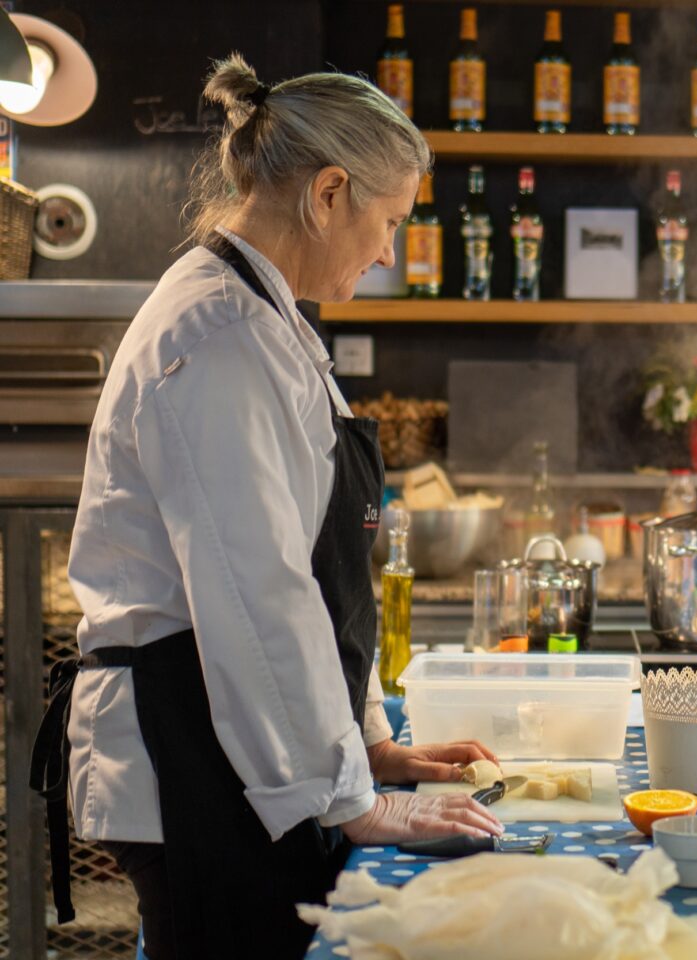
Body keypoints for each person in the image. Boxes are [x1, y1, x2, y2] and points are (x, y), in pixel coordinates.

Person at [29, 56, 504, 960]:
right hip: (193, 753)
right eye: (391, 219)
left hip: (235, 748)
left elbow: (323, 583)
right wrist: (350, 797)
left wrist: (365, 745)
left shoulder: (269, 324)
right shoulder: (216, 337)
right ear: (329, 192)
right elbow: (256, 596)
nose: (390, 250)